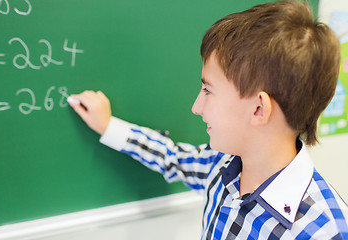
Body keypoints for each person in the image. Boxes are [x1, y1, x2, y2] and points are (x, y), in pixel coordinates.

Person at [69, 0, 348, 239]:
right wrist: (108, 126)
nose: (196, 107)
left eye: (208, 90)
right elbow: (172, 157)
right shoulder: (222, 164)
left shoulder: (323, 230)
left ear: (258, 109)